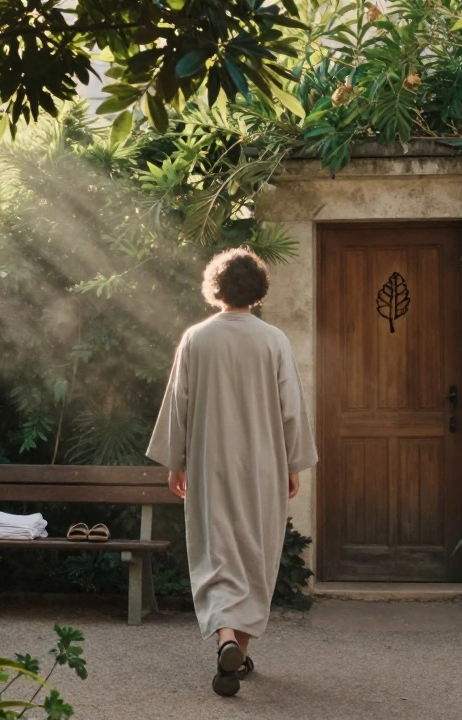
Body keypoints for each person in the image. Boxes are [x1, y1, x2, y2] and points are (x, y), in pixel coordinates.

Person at [146, 246, 318, 698]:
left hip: (211, 463)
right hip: (262, 463)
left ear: (215, 287)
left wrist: (176, 462)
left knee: (218, 551)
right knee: (254, 554)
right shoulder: (273, 340)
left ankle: (227, 641)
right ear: (258, 289)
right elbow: (291, 411)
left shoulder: (196, 339)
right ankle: (236, 649)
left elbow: (178, 406)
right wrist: (293, 463)